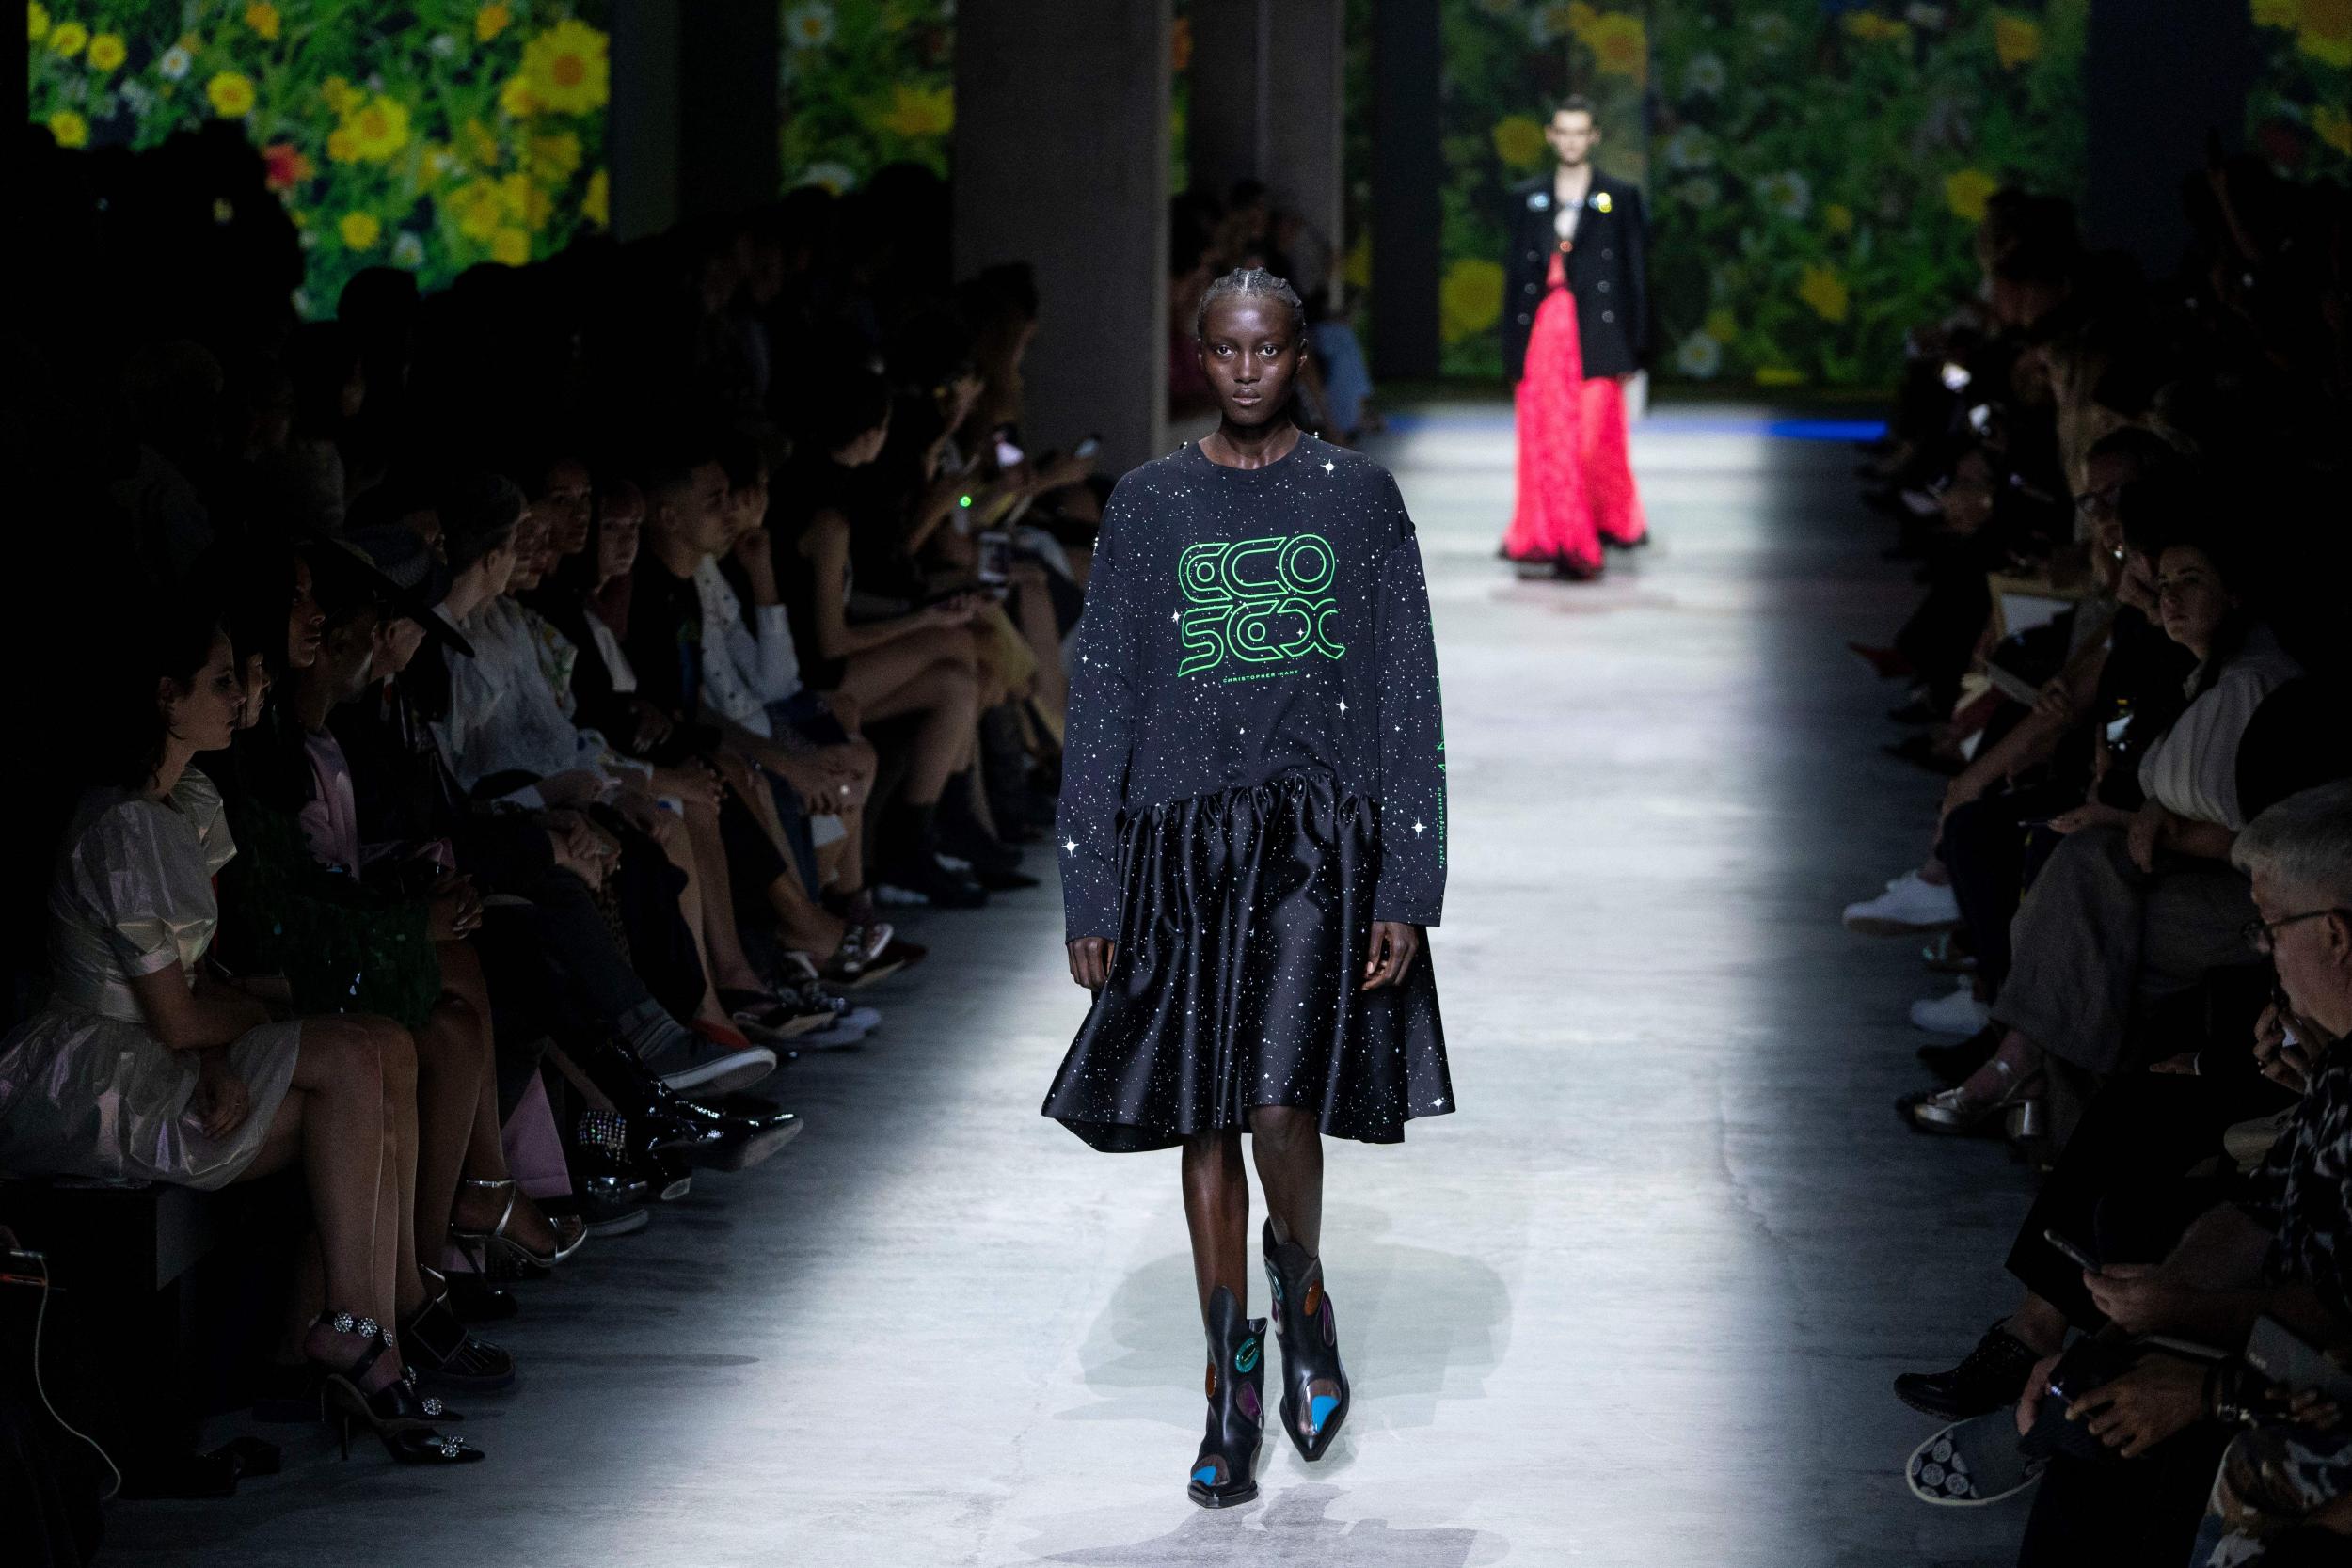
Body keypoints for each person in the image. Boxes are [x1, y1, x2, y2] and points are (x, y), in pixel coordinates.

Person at [1041, 267, 1454, 1508]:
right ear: (1198, 354)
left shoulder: (1354, 498)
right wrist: (1091, 887)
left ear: (1297, 356)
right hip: (1179, 843)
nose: (1245, 369)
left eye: (1267, 348)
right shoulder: (1151, 503)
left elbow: (1404, 690)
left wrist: (1407, 875)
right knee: (1202, 1111)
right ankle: (1228, 1381)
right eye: (1223, 350)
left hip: (1313, 844)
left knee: (1280, 1102)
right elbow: (1102, 693)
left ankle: (1302, 1281)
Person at [1497, 95, 1648, 580]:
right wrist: (1511, 349)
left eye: (1581, 131)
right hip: (1544, 333)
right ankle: (1563, 540)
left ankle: (1587, 529)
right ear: (1550, 135)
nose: (1572, 140)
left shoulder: (1616, 196)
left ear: (1594, 136)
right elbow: (1516, 275)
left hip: (1598, 334)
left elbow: (1634, 274)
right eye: (1563, 131)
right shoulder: (1529, 197)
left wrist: (1636, 345)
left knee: (1586, 442)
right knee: (1547, 440)